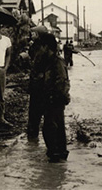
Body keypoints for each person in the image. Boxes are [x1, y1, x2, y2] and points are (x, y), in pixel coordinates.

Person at [32, 33, 71, 162]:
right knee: (56, 129)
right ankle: (58, 158)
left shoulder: (57, 62)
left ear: (46, 47)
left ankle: (55, 158)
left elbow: (63, 82)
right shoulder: (46, 61)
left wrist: (58, 98)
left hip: (55, 99)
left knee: (51, 129)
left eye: (40, 47)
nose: (38, 50)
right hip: (48, 98)